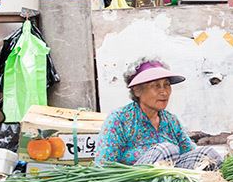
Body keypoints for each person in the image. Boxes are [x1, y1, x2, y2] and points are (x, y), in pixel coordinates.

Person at [95, 57, 223, 170]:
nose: (164, 92)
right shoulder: (120, 119)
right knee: (166, 150)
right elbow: (103, 166)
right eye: (156, 86)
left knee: (209, 154)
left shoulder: (171, 121)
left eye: (166, 85)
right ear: (137, 91)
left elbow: (190, 151)